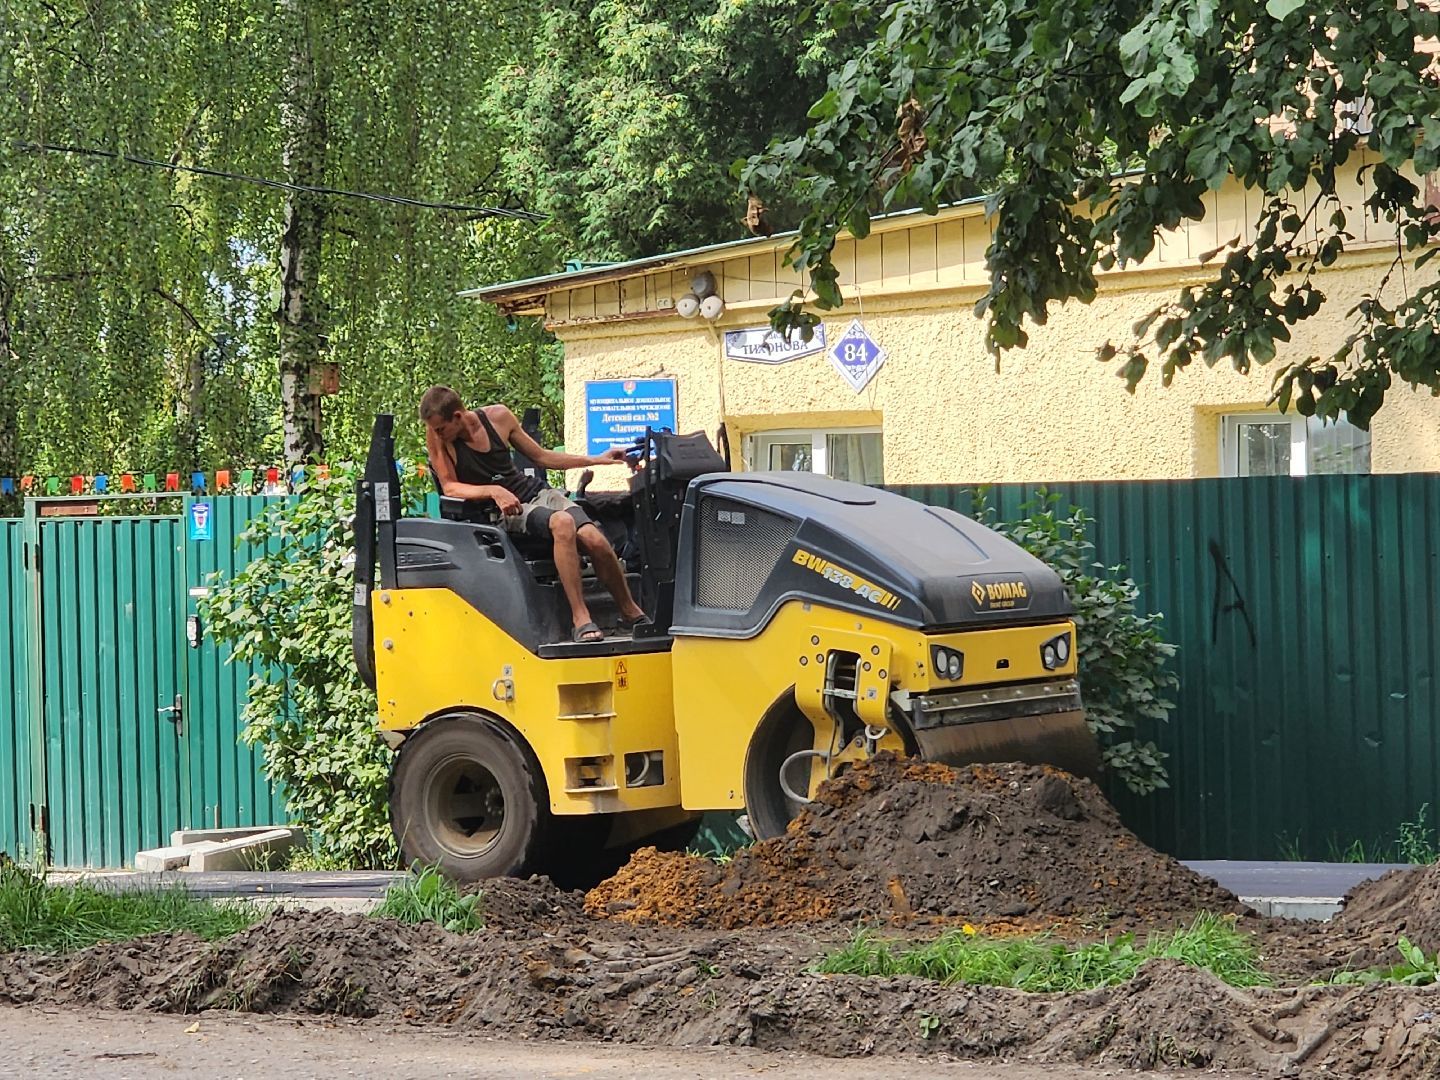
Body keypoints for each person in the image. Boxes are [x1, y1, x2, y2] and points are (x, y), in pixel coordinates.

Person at [420, 385, 648, 643]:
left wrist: (596, 459)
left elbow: (541, 457)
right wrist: (494, 491)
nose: (438, 434)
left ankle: (630, 612)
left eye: (441, 428)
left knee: (594, 538)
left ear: (458, 416)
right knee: (562, 523)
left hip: (533, 493)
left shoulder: (498, 418)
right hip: (500, 510)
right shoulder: (437, 437)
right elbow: (450, 485)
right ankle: (580, 618)